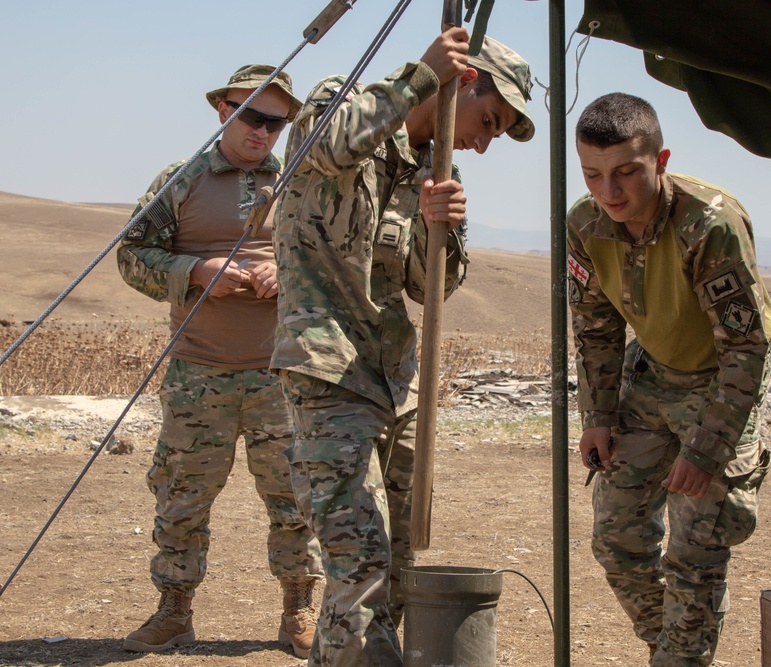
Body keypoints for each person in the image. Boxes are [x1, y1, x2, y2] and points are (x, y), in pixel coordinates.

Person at [270, 27, 534, 666]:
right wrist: (420, 77)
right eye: (489, 121)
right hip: (328, 371)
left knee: (403, 563)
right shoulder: (344, 103)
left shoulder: (435, 171)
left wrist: (440, 228)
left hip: (397, 380)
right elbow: (328, 145)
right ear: (463, 83)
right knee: (358, 561)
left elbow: (427, 288)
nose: (482, 140)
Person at [117, 65, 323, 658]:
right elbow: (132, 255)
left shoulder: (304, 182)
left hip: (281, 372)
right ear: (222, 111)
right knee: (181, 496)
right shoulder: (178, 182)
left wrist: (290, 274)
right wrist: (194, 271)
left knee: (295, 497)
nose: (262, 131)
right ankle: (173, 613)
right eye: (251, 115)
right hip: (197, 372)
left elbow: (336, 260)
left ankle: (298, 612)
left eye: (276, 122)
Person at [567, 92, 771, 667]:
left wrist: (707, 450)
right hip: (652, 375)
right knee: (616, 540)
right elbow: (595, 330)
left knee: (697, 547)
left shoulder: (710, 224)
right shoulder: (585, 225)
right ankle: (675, 650)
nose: (609, 193)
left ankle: (680, 660)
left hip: (721, 382)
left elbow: (747, 346)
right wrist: (598, 418)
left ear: (660, 162)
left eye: (626, 173)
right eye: (593, 175)